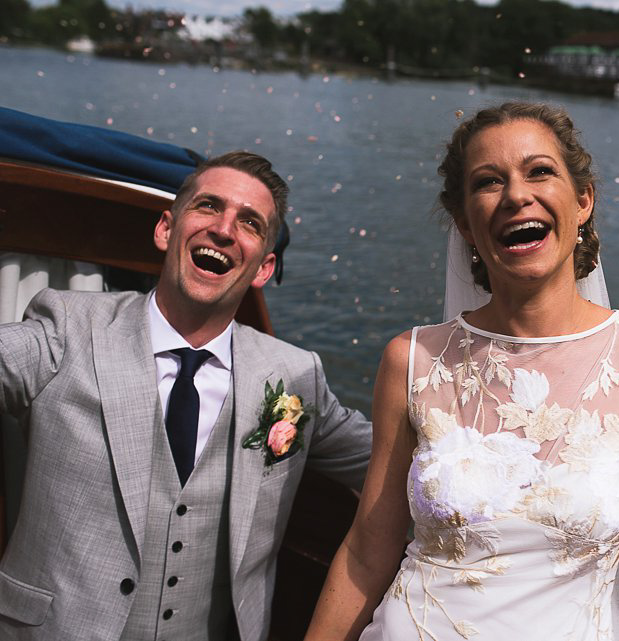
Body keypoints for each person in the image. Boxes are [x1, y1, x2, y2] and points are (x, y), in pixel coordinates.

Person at [305, 102, 619, 641]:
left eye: (539, 171)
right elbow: (367, 548)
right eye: (489, 182)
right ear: (466, 224)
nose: (517, 195)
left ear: (583, 200)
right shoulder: (413, 360)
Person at [0, 151, 372, 640]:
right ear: (165, 230)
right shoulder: (67, 327)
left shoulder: (294, 376)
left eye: (250, 223)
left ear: (263, 267)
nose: (223, 229)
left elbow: (396, 456)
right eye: (208, 206)